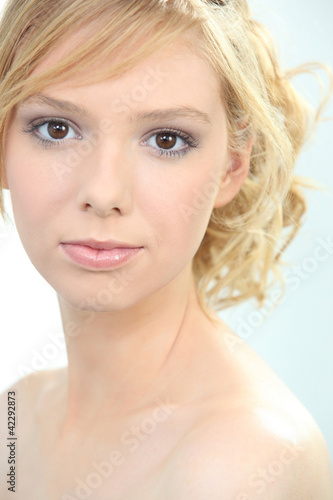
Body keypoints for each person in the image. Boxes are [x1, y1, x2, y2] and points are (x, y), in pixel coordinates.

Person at [0, 0, 332, 498]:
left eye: (167, 139)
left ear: (230, 169)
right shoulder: (14, 417)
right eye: (57, 129)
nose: (105, 192)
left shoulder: (241, 462)